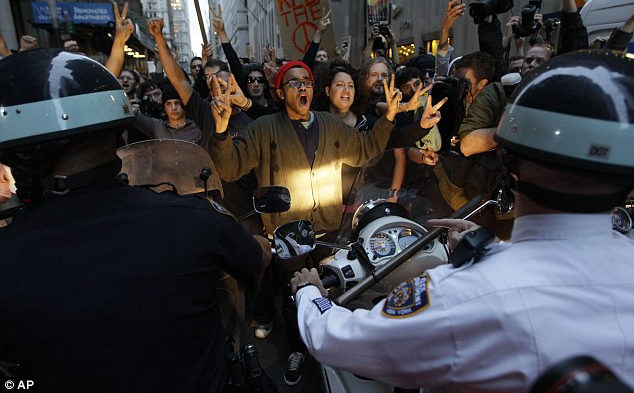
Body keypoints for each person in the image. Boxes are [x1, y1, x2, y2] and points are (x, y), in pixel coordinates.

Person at [291, 49, 634, 392]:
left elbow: (339, 341)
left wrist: (310, 293)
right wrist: (492, 252)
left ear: (508, 161)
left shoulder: (462, 294)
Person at [0, 48, 267, 392]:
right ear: (119, 132)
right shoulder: (193, 220)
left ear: (21, 160)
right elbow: (255, 256)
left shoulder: (9, 258)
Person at [209, 59, 444, 386]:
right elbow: (230, 167)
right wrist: (221, 131)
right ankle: (297, 349)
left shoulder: (331, 125)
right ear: (280, 92)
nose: (302, 86)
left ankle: (335, 351)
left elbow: (367, 148)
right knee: (295, 294)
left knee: (339, 288)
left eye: (306, 80)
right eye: (293, 82)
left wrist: (396, 118)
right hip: (288, 232)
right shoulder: (263, 129)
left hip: (332, 232)